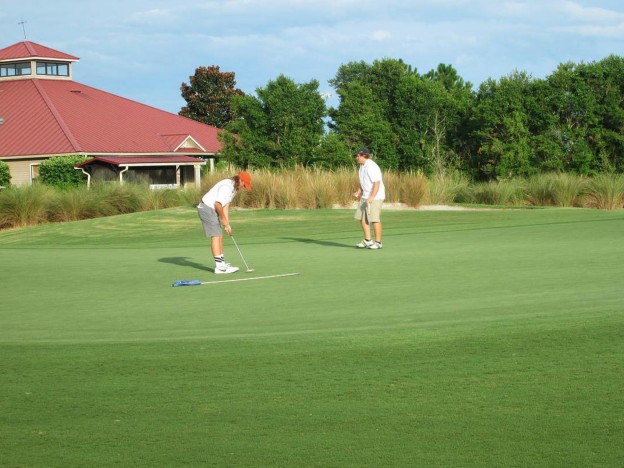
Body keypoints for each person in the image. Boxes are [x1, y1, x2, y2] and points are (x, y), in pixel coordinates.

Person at [197, 171, 252, 273]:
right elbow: (218, 204)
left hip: (212, 209)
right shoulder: (227, 187)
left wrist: (227, 223)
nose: (243, 187)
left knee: (220, 236)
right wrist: (223, 220)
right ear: (240, 180)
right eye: (244, 185)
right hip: (207, 208)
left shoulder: (234, 189)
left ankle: (222, 264)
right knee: (216, 236)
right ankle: (219, 267)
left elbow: (225, 205)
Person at [353, 147, 385, 249]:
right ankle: (368, 240)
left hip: (375, 197)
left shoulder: (372, 166)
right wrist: (359, 191)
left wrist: (372, 196)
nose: (356, 157)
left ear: (364, 156)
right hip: (365, 196)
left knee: (374, 219)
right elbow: (364, 181)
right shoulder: (362, 166)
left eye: (358, 155)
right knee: (362, 218)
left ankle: (378, 242)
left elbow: (377, 182)